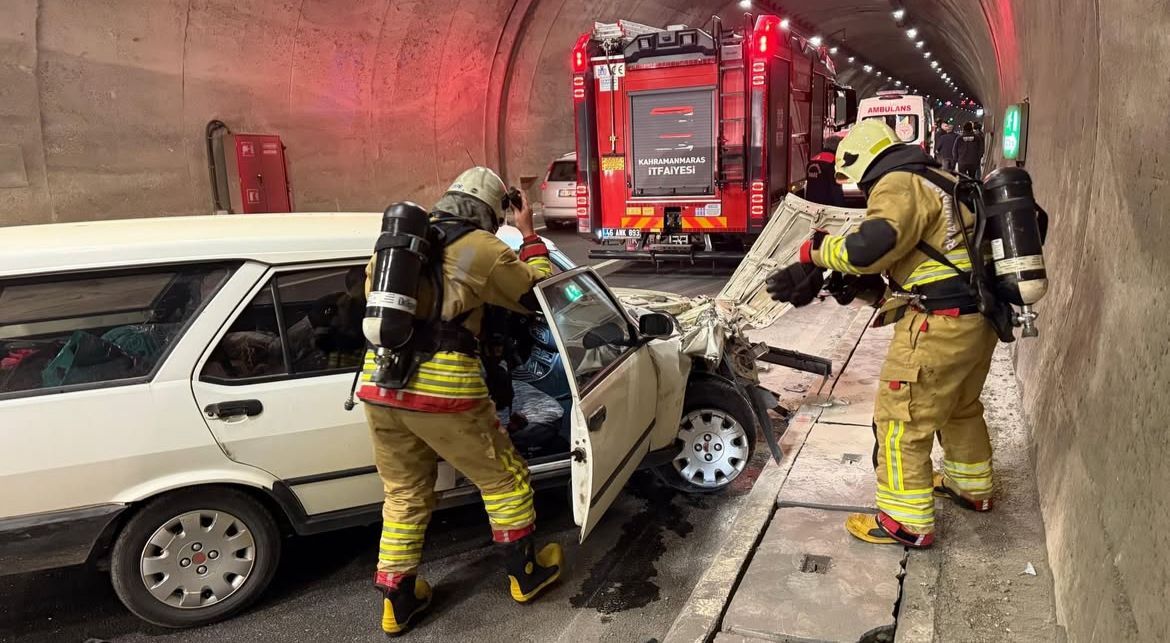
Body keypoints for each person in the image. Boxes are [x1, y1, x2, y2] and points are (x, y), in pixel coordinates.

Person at [764, 120, 998, 549]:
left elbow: (867, 248)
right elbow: (922, 260)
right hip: (976, 319)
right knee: (959, 406)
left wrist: (814, 251)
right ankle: (972, 486)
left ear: (862, 163)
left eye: (855, 180)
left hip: (937, 325)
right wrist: (852, 285)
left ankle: (905, 523)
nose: (861, 190)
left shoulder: (898, 184)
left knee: (899, 421)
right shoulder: (942, 180)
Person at [355, 167, 560, 635]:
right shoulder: (481, 248)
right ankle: (526, 576)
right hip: (445, 388)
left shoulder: (396, 249)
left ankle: (398, 600)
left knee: (405, 493)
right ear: (490, 211)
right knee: (505, 479)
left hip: (380, 384)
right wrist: (528, 235)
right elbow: (537, 293)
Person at [805, 136, 846, 206]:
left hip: (811, 203)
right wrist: (841, 206)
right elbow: (835, 189)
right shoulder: (834, 161)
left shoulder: (812, 160)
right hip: (827, 205)